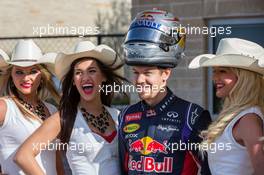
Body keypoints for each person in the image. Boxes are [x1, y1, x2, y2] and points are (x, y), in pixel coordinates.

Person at [118, 9, 212, 175]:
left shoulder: (193, 116)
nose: (139, 80)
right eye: (135, 72)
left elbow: (208, 169)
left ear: (165, 74)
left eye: (147, 73)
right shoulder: (125, 115)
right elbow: (123, 169)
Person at [14, 41, 126, 175]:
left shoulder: (118, 116)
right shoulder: (64, 118)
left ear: (104, 76)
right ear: (73, 80)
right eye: (78, 73)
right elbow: (23, 156)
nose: (85, 77)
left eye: (92, 71)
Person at [189, 38, 264, 175]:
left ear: (244, 77)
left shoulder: (249, 119)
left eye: (222, 71)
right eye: (214, 71)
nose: (214, 77)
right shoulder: (239, 116)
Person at [0, 39, 61, 175]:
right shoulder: (4, 107)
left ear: (42, 76)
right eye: (19, 72)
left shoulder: (52, 111)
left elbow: (57, 162)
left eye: (33, 71)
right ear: (11, 75)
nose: (26, 78)